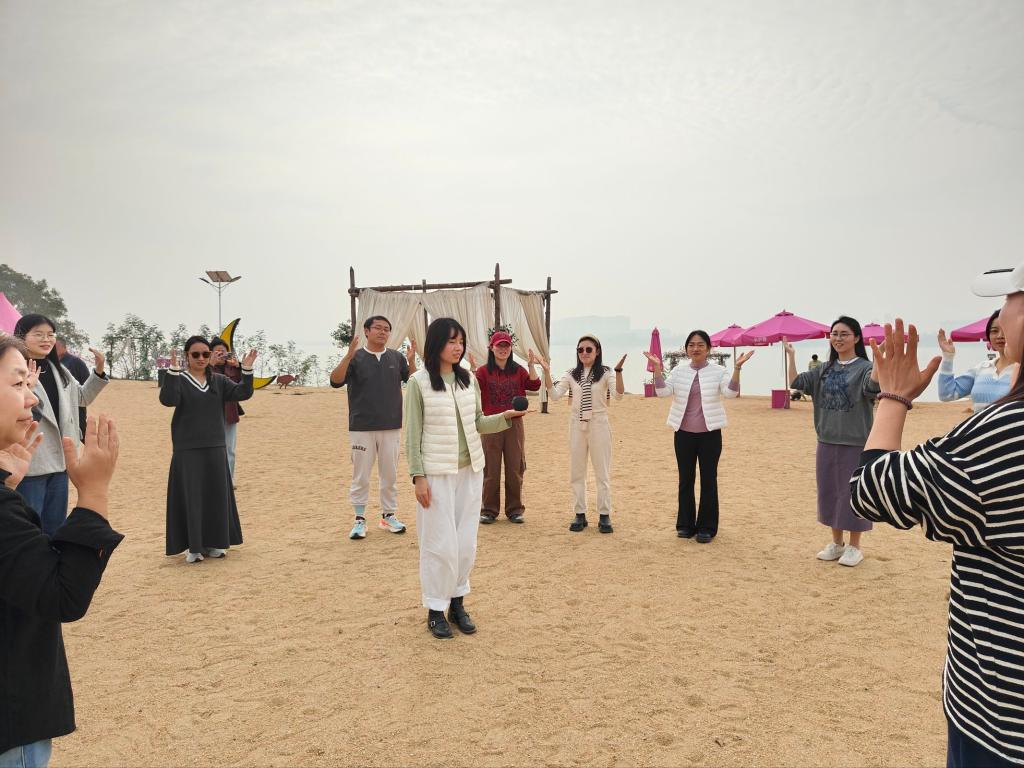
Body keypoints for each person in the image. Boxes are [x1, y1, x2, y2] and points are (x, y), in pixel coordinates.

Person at [849, 262, 1024, 767]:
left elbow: (874, 490)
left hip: (1001, 712)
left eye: (1010, 301)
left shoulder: (1006, 433)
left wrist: (892, 396)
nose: (1000, 318)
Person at [0, 334, 124, 768]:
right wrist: (94, 493)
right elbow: (62, 595)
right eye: (18, 383)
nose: (32, 397)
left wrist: (7, 484)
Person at [405, 317, 525, 639]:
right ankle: (435, 608)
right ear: (436, 344)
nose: (458, 348)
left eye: (461, 342)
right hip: (437, 474)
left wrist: (505, 417)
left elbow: (478, 423)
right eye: (451, 341)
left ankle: (457, 603)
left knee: (465, 543)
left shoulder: (468, 380)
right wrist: (418, 476)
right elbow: (412, 435)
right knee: (439, 544)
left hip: (470, 471)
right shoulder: (418, 383)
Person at [786, 316, 880, 567]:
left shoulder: (865, 367)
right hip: (826, 439)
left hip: (856, 441)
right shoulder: (824, 369)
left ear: (856, 338)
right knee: (829, 492)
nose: (838, 338)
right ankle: (837, 543)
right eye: (834, 334)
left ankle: (855, 547)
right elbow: (796, 383)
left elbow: (873, 388)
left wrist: (880, 360)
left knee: (853, 494)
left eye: (844, 334)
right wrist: (792, 356)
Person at [646, 331, 752, 543]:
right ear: (686, 349)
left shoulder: (719, 371)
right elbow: (663, 392)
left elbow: (730, 393)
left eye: (700, 345)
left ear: (708, 349)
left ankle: (707, 527)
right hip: (683, 434)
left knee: (708, 480)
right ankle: (685, 525)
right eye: (692, 345)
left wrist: (737, 369)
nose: (696, 348)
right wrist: (657, 369)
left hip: (710, 435)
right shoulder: (679, 370)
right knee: (685, 480)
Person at [160, 336, 256, 563]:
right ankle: (193, 547)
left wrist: (247, 370)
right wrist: (172, 372)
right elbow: (168, 400)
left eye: (205, 354)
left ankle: (215, 543)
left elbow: (243, 393)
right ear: (187, 356)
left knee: (215, 496)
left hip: (215, 447)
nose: (201, 358)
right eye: (195, 354)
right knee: (192, 496)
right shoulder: (180, 379)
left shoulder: (219, 381)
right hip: (187, 449)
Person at [13, 314, 108, 536]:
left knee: (55, 527)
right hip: (31, 462)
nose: (46, 339)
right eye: (38, 334)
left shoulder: (59, 370)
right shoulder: (13, 371)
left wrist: (99, 370)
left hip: (61, 463)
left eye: (50, 334)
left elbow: (82, 397)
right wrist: (25, 387)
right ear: (21, 337)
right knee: (29, 527)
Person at [329, 315, 417, 540]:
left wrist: (411, 361)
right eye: (378, 328)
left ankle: (388, 516)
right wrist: (348, 356)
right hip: (362, 426)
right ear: (366, 331)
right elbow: (335, 381)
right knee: (361, 475)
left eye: (386, 329)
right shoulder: (356, 358)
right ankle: (359, 519)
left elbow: (414, 382)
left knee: (390, 474)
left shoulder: (396, 357)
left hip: (391, 425)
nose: (382, 332)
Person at [538, 335, 625, 534]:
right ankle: (580, 513)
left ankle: (604, 514)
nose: (584, 353)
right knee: (577, 472)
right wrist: (546, 372)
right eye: (580, 350)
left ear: (597, 351)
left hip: (599, 423)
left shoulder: (606, 372)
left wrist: (619, 372)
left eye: (588, 349)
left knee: (602, 472)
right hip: (576, 424)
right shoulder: (571, 374)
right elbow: (555, 395)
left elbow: (619, 395)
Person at [472, 330, 541, 524]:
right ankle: (488, 510)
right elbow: (472, 390)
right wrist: (471, 371)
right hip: (490, 423)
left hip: (514, 423)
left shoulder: (518, 370)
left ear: (511, 348)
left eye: (506, 346)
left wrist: (531, 365)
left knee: (515, 467)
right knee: (490, 470)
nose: (503, 349)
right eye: (499, 346)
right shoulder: (483, 372)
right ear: (491, 348)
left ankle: (515, 510)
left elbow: (535, 385)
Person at [937, 309, 1017, 412]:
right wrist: (948, 356)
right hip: (980, 423)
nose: (1000, 336)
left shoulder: (1020, 371)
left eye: (1006, 330)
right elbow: (947, 394)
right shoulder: (982, 368)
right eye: (994, 331)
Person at [210, 338, 244, 485]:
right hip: (210, 415)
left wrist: (239, 367)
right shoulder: (205, 367)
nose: (221, 354)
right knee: (211, 449)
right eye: (217, 351)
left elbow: (243, 387)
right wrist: (210, 364)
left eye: (223, 351)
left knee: (229, 449)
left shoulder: (232, 368)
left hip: (230, 413)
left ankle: (229, 480)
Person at [54, 337, 89, 440]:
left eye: (55, 346)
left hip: (76, 403)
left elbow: (87, 382)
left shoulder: (76, 362)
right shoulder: (53, 363)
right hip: (59, 404)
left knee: (81, 431)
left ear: (64, 347)